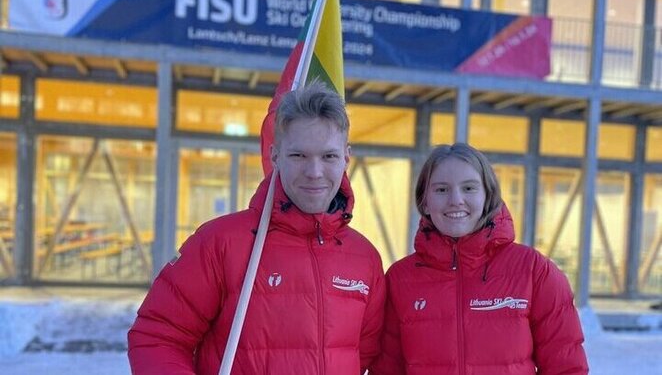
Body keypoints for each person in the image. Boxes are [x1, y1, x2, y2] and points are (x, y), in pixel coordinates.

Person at [128, 84, 385, 374]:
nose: (314, 172)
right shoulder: (219, 243)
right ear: (275, 156)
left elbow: (363, 355)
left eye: (328, 156)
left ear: (346, 158)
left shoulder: (365, 259)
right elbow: (157, 335)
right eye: (298, 156)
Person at [370, 143, 588, 375]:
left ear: (488, 195)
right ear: (424, 201)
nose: (455, 200)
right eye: (441, 190)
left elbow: (566, 368)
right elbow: (386, 369)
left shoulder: (533, 271)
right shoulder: (400, 279)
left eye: (469, 188)